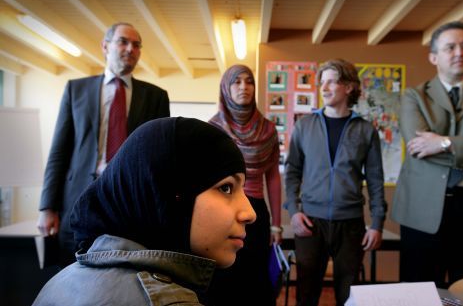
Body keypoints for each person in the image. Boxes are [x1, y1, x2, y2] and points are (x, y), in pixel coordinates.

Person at [32, 117, 256, 305]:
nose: (250, 213)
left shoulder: (56, 283)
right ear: (168, 195)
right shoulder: (170, 301)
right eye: (226, 188)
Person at [36, 22, 170, 267]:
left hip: (128, 201)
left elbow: (158, 159)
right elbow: (59, 151)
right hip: (77, 198)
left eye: (137, 44)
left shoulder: (156, 97)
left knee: (119, 274)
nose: (130, 48)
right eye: (123, 41)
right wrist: (47, 207)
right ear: (105, 46)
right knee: (72, 273)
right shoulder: (76, 89)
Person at [392, 21, 463, 288]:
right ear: (433, 57)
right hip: (422, 210)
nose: (459, 53)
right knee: (420, 293)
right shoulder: (413, 96)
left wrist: (443, 143)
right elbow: (418, 146)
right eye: (449, 47)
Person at [284, 59, 387, 306]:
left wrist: (377, 224)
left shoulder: (365, 130)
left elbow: (375, 180)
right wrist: (294, 212)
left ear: (349, 87)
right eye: (322, 82)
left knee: (348, 296)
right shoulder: (305, 125)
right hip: (310, 222)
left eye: (331, 81)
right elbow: (292, 172)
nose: (324, 87)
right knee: (306, 295)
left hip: (351, 225)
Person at [207, 64, 282, 306]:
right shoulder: (212, 128)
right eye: (236, 82)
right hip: (222, 209)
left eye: (249, 81)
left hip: (256, 211)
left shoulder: (269, 129)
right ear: (226, 89)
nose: (244, 87)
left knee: (255, 279)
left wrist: (277, 226)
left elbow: (272, 177)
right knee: (224, 277)